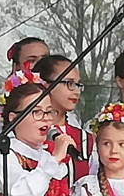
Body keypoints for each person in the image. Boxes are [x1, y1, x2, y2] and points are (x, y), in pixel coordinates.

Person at [0, 37, 50, 149]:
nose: (40, 66)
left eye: (45, 60)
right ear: (17, 67)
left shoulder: (59, 109)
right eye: (31, 61)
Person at [34, 53, 93, 186]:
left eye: (78, 85)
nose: (76, 91)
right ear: (45, 84)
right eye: (69, 83)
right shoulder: (27, 135)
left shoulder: (85, 139)